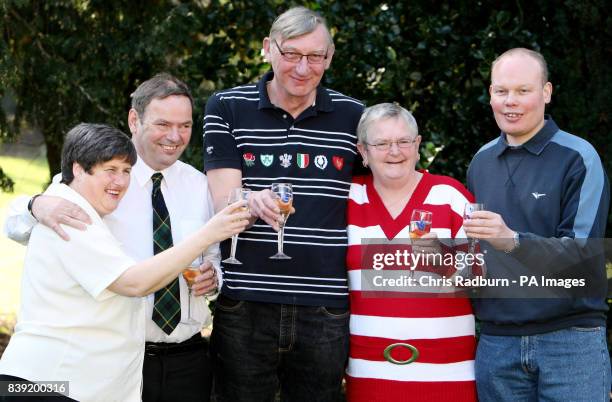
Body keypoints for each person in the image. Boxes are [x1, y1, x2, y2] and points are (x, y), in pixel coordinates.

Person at [4, 74, 225, 401]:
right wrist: (34, 204)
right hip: (89, 366)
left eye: (186, 125)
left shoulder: (199, 185)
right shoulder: (94, 182)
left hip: (182, 357)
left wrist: (215, 276)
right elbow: (18, 225)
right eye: (163, 124)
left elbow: (215, 258)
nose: (175, 136)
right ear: (134, 120)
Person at [202, 6, 364, 401]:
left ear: (329, 57)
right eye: (291, 53)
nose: (303, 67)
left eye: (316, 56)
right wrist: (249, 200)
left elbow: (388, 188)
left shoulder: (354, 116)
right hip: (245, 301)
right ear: (267, 49)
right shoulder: (226, 107)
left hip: (325, 307)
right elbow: (225, 196)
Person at [463, 48, 611, 401]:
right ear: (490, 95)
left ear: (546, 93)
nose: (510, 102)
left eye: (523, 91)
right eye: (501, 91)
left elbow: (582, 258)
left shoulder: (579, 157)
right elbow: (474, 257)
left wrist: (512, 240)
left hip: (570, 341)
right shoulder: (480, 162)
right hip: (497, 343)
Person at [344, 103, 478, 401]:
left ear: (417, 146)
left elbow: (483, 280)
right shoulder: (347, 200)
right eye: (381, 143)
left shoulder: (452, 196)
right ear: (363, 152)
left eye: (404, 141)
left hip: (448, 374)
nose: (395, 151)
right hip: (371, 375)